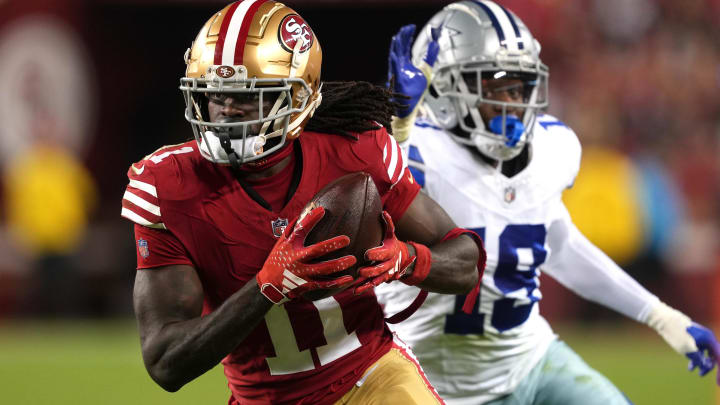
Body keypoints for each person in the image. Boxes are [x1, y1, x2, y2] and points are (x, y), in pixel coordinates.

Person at [120, 1, 484, 404]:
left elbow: (465, 260)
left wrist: (407, 259)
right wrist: (266, 287)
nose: (225, 112)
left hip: (372, 379)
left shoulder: (354, 151)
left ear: (299, 97)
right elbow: (165, 363)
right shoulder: (169, 184)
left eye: (250, 96)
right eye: (215, 93)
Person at [375, 1, 720, 404]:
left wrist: (662, 317)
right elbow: (386, 184)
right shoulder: (417, 154)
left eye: (518, 87)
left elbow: (559, 245)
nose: (512, 104)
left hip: (530, 362)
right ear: (446, 93)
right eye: (493, 86)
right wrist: (400, 128)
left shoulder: (553, 147)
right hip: (429, 382)